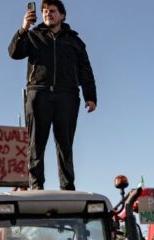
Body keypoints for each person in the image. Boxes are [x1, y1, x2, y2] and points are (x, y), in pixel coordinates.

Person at [9, 0, 97, 191]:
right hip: (39, 93)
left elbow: (85, 70)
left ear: (62, 15)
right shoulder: (32, 36)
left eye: (53, 11)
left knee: (65, 144)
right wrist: (23, 28)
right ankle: (36, 185)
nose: (48, 14)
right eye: (45, 11)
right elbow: (14, 53)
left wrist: (91, 96)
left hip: (68, 95)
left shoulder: (75, 41)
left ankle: (67, 187)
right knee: (36, 143)